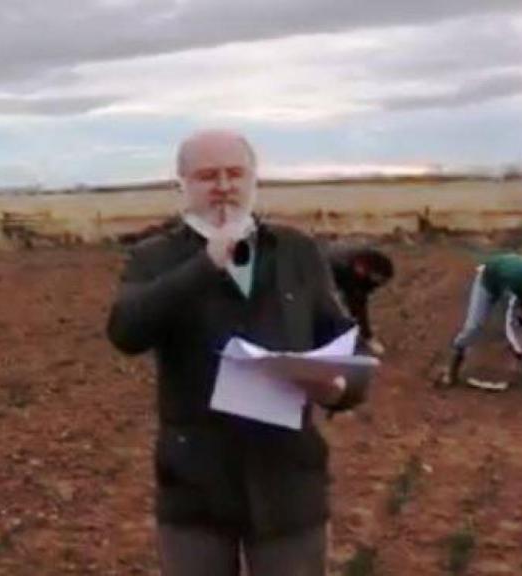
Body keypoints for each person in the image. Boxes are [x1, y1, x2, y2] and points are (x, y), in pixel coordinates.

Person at [106, 129, 372, 576]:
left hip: (288, 480)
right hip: (195, 486)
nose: (224, 186)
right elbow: (126, 331)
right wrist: (206, 264)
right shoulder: (155, 257)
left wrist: (340, 387)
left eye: (235, 173)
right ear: (182, 185)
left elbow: (348, 340)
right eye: (208, 176)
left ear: (254, 179)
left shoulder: (296, 250)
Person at [441, 252, 522, 388]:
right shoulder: (515, 289)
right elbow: (509, 325)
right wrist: (521, 356)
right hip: (488, 281)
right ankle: (452, 366)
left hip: (515, 275)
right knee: (474, 326)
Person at [327, 242, 394, 355]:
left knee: (356, 304)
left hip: (341, 267)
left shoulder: (373, 261)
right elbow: (354, 302)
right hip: (320, 273)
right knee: (333, 307)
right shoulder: (342, 267)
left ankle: (360, 335)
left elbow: (360, 301)